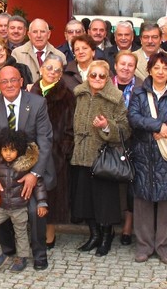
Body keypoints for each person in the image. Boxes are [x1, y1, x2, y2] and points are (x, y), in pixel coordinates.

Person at [0, 65, 55, 271]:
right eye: (4, 81)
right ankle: (7, 249)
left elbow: (45, 140)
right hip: (3, 169)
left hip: (32, 167)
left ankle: (39, 253)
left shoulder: (37, 103)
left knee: (33, 210)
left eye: (14, 80)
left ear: (21, 81)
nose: (9, 85)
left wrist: (34, 173)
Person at [71, 60, 130, 257]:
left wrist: (107, 126)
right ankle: (94, 235)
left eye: (101, 76)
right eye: (93, 75)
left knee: (104, 200)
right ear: (87, 76)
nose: (96, 79)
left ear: (107, 77)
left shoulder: (115, 97)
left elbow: (125, 128)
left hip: (103, 156)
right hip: (82, 154)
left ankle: (106, 236)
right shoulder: (79, 93)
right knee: (85, 199)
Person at [0, 129, 48, 273]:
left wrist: (42, 202)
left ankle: (22, 257)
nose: (8, 154)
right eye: (5, 150)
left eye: (12, 150)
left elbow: (38, 184)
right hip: (1, 207)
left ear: (19, 150)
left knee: (21, 233)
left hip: (19, 207)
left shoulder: (24, 167)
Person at [30, 54, 75, 248]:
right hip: (31, 151)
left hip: (55, 154)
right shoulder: (32, 91)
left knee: (52, 195)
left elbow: (71, 126)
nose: (53, 73)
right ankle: (32, 233)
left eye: (57, 70)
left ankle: (49, 235)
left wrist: (64, 150)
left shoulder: (67, 95)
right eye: (49, 68)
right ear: (41, 69)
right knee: (30, 194)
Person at [128, 51, 167, 263]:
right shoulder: (140, 93)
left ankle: (163, 247)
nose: (161, 71)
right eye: (157, 67)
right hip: (143, 154)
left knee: (165, 203)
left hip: (165, 155)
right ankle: (144, 246)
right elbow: (133, 118)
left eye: (165, 67)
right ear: (149, 70)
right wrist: (158, 126)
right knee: (142, 202)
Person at [112, 50, 142, 246]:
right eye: (122, 64)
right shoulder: (104, 82)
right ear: (115, 66)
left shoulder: (141, 87)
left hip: (134, 140)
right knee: (109, 183)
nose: (125, 68)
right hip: (109, 140)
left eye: (130, 65)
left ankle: (128, 226)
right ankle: (108, 223)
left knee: (131, 184)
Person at [12, 18, 67, 82]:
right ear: (29, 35)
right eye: (35, 32)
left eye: (42, 31)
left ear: (48, 34)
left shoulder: (59, 56)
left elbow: (63, 82)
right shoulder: (17, 54)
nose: (39, 35)